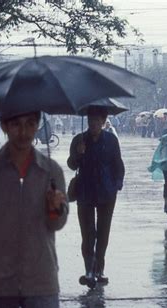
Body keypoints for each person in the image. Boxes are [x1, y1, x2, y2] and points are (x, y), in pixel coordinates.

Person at [0, 111, 68, 308]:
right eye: (16, 124)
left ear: (38, 125)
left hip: (41, 277)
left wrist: (55, 208)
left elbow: (57, 223)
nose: (24, 132)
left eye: (30, 124)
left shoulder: (51, 172)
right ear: (4, 126)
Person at [67, 107, 125, 286]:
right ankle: (89, 270)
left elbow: (118, 164)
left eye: (97, 122)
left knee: (103, 233)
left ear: (103, 121)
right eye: (91, 122)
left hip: (107, 193)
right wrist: (78, 153)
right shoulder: (79, 140)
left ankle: (99, 270)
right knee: (88, 233)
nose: (94, 125)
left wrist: (117, 185)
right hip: (85, 191)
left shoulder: (111, 140)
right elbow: (71, 164)